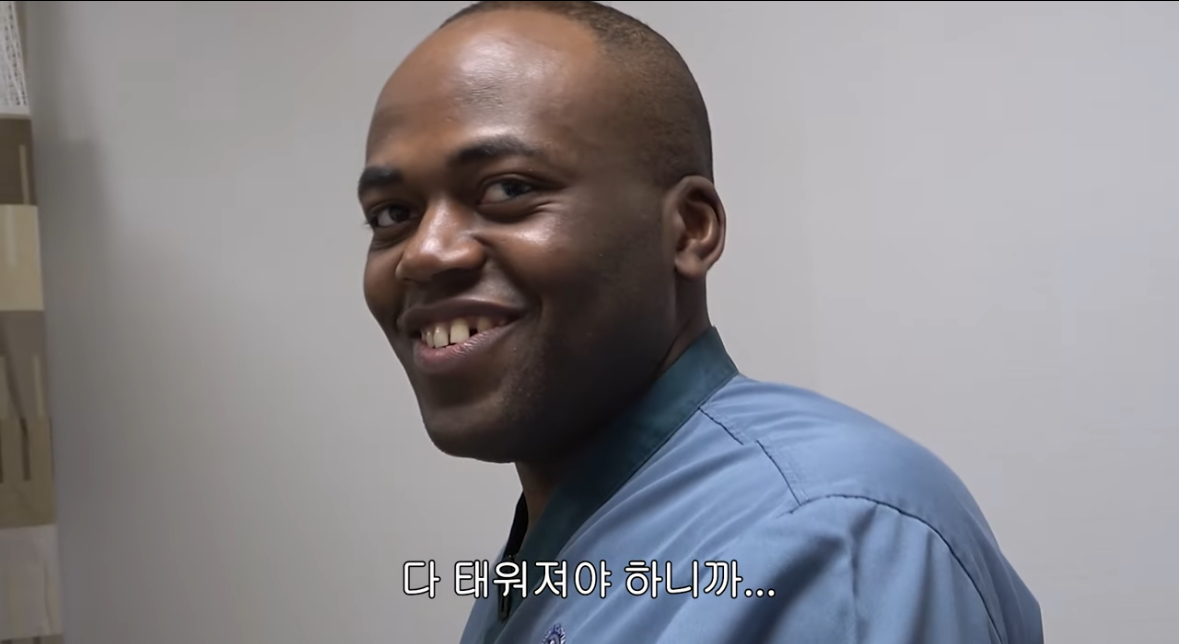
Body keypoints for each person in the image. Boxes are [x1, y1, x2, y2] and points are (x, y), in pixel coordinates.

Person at [358, 1, 1043, 642]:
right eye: (392, 214)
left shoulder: (836, 532)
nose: (423, 253)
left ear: (688, 228)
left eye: (509, 189)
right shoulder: (550, 562)